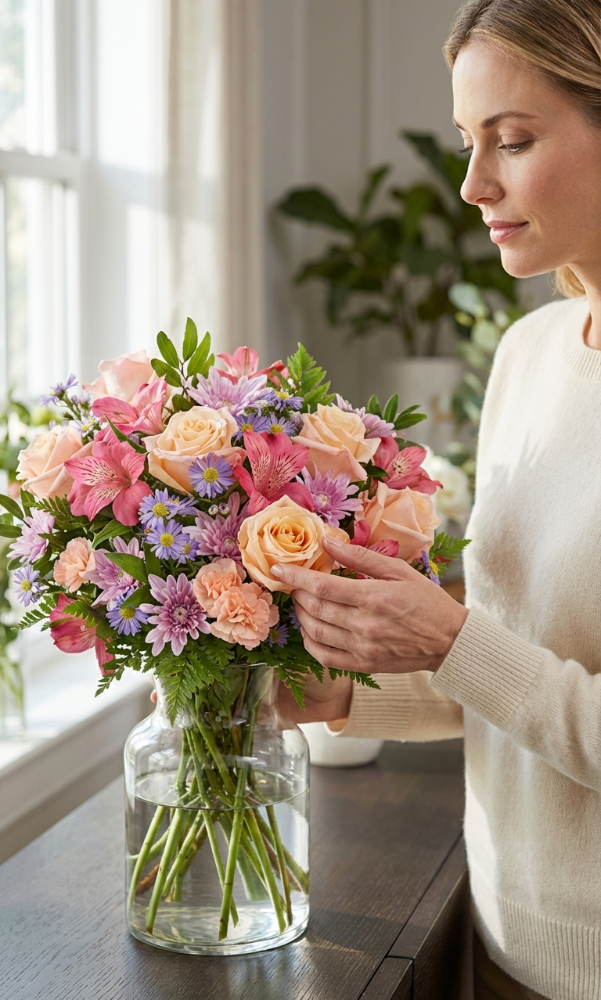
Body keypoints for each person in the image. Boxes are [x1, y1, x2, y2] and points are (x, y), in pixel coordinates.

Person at [273, 2, 601, 999]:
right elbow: (516, 666)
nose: (472, 184)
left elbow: (483, 655)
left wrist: (448, 637)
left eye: (513, 140)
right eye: (468, 143)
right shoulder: (527, 356)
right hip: (496, 942)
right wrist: (347, 692)